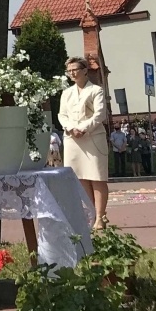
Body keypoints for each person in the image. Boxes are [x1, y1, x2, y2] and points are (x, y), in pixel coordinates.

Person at [59, 57, 110, 228]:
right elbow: (62, 115)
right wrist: (71, 128)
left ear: (85, 70)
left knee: (97, 177)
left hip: (93, 138)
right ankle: (91, 214)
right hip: (73, 140)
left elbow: (100, 114)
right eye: (69, 70)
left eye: (75, 69)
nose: (72, 73)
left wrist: (83, 128)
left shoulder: (96, 90)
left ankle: (101, 217)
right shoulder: (66, 93)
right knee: (80, 177)